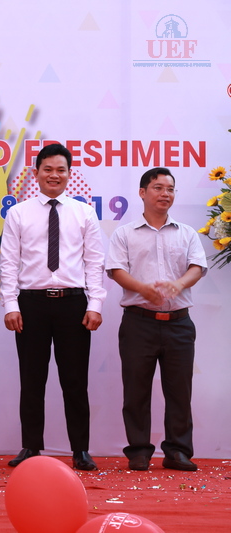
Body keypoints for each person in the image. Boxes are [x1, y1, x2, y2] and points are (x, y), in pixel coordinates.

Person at [0, 143, 105, 471]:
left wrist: (95, 303)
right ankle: (31, 447)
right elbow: (8, 262)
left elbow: (94, 261)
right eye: (48, 169)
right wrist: (10, 304)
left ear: (70, 174)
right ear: (36, 173)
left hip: (73, 304)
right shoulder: (19, 212)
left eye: (61, 170)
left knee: (75, 381)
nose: (54, 175)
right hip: (31, 304)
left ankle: (81, 450)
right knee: (32, 380)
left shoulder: (84, 212)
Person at [106, 167, 207, 472]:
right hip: (139, 322)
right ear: (142, 192)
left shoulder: (187, 233)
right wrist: (142, 289)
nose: (165, 194)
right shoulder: (124, 233)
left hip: (179, 323)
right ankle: (139, 451)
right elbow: (116, 270)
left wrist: (179, 284)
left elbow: (197, 267)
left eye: (170, 189)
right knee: (136, 390)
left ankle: (178, 452)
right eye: (158, 188)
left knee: (179, 391)